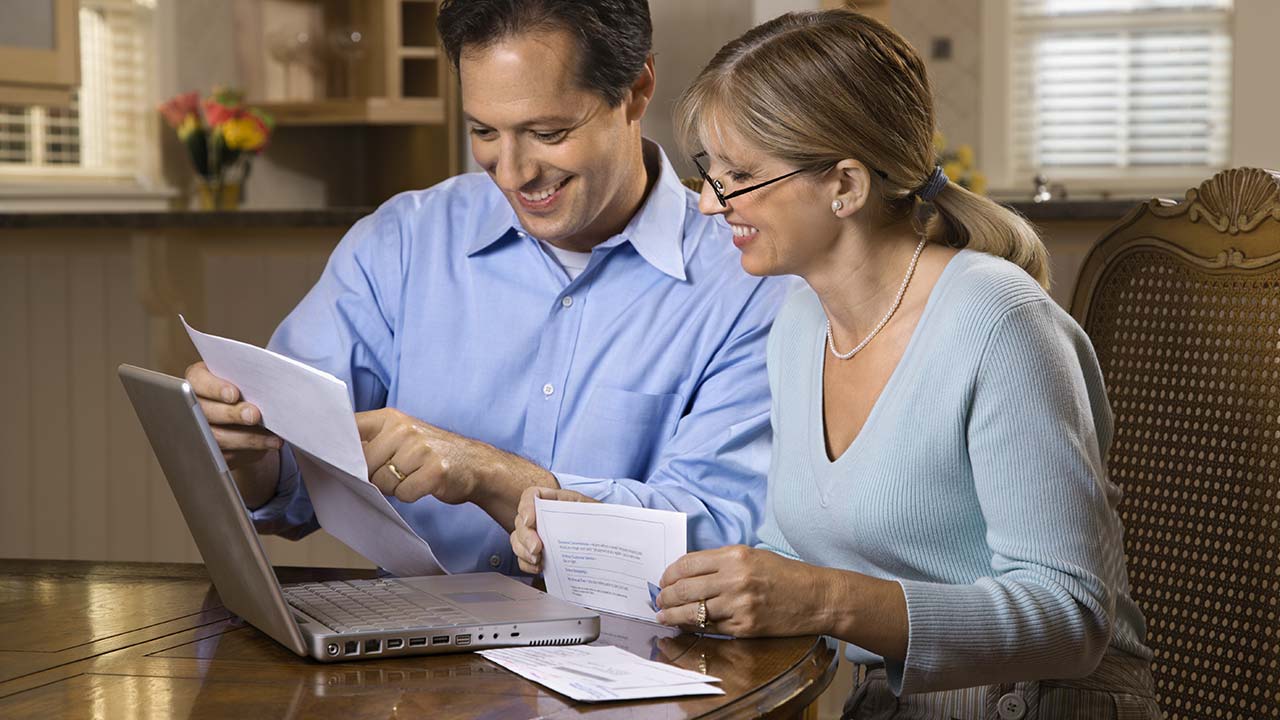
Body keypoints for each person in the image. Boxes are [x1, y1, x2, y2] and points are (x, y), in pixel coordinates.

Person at [511, 10, 1159, 717]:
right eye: (710, 174)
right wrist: (600, 524)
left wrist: (828, 598)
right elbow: (781, 556)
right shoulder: (799, 320)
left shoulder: (999, 323)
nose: (706, 203)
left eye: (738, 177)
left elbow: (1072, 620)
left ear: (845, 185)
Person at [184, 0, 788, 575]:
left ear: (636, 90)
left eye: (548, 132)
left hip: (642, 659)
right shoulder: (403, 242)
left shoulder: (747, 279)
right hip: (411, 662)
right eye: (485, 132)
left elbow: (716, 534)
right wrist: (252, 451)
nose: (515, 172)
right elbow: (294, 488)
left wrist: (494, 477)